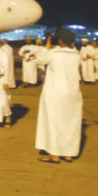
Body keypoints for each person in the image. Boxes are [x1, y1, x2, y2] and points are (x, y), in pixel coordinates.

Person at [33, 29, 82, 163]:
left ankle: (54, 154)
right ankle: (68, 153)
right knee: (71, 123)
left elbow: (38, 60)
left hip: (55, 92)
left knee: (54, 122)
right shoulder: (77, 55)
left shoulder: (54, 53)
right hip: (73, 93)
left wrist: (47, 47)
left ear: (60, 40)